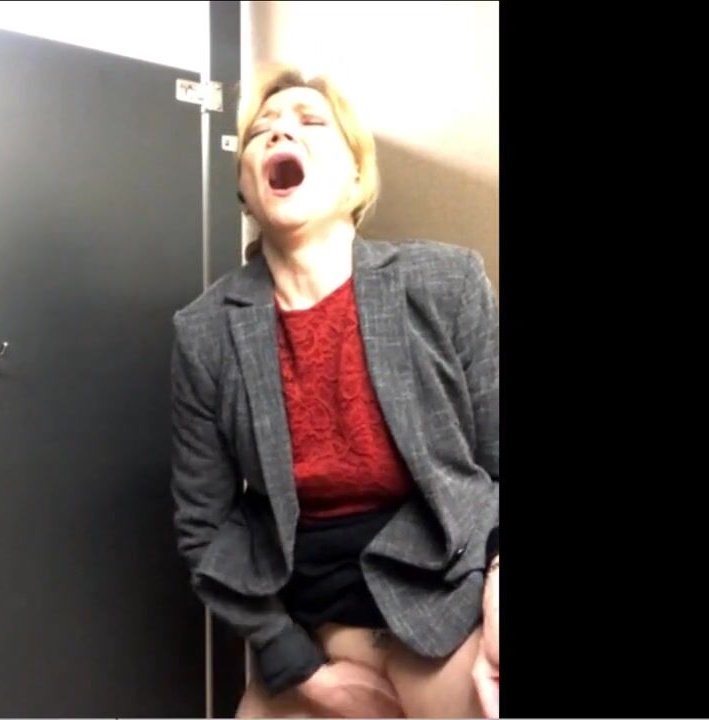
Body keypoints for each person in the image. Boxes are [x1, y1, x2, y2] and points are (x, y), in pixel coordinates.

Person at [169, 64, 499, 718]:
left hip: (446, 597)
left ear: (356, 176)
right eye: (261, 131)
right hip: (310, 622)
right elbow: (204, 526)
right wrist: (295, 662)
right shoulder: (203, 332)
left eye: (309, 121)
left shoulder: (448, 282)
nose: (279, 133)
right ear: (246, 190)